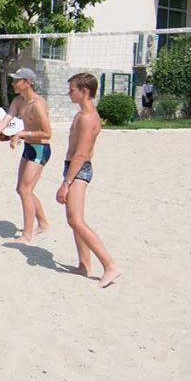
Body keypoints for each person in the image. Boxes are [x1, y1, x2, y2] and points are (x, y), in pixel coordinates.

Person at [58, 73, 121, 288]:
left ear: (84, 91)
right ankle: (84, 264)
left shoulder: (88, 118)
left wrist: (66, 183)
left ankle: (110, 265)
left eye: (72, 90)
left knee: (76, 220)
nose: (69, 93)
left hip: (79, 169)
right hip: (73, 167)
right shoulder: (82, 114)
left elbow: (81, 154)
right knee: (74, 219)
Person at [0, 68, 52, 242]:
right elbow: (5, 121)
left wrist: (22, 134)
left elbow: (47, 133)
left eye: (17, 80)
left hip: (40, 149)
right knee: (22, 189)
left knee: (25, 190)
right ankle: (43, 223)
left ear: (28, 82)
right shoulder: (18, 101)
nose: (13, 83)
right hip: (29, 147)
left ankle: (27, 233)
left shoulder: (37, 104)